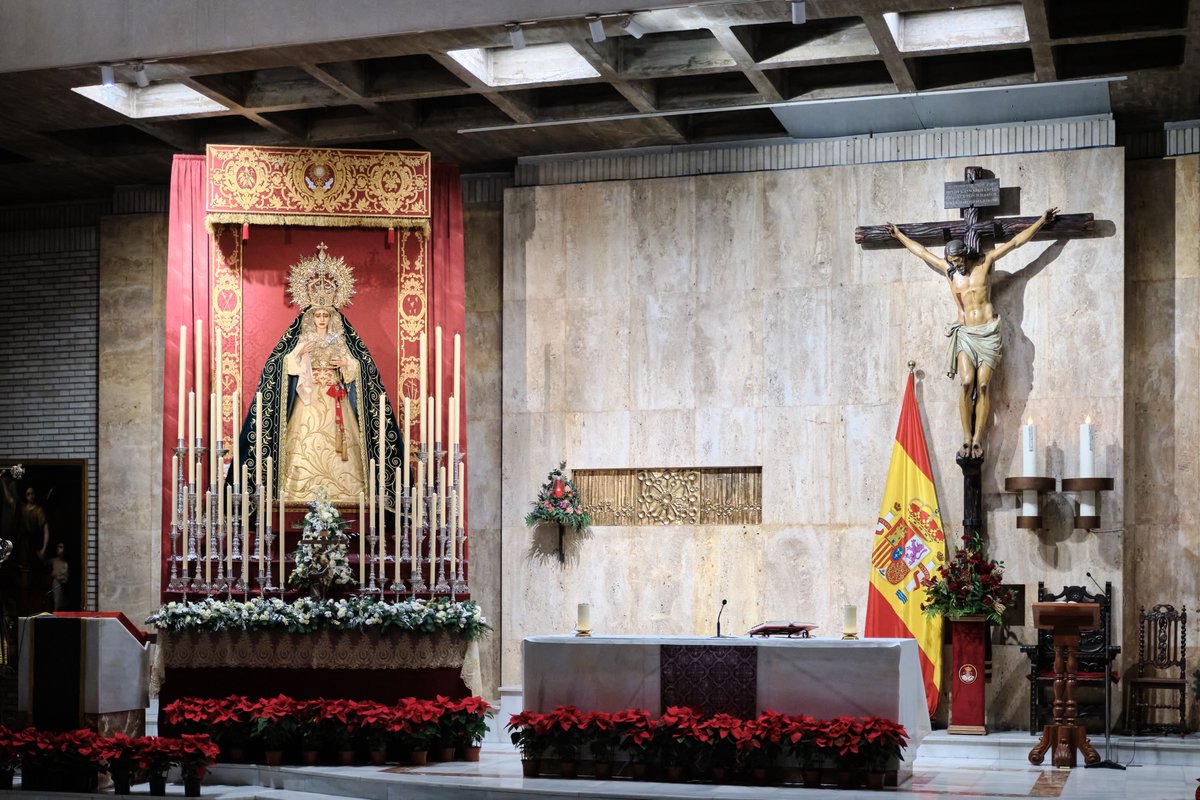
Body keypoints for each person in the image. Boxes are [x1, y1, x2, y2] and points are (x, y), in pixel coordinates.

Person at [888, 208, 1057, 459]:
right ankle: (966, 438)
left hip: (988, 333)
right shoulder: (949, 272)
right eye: (951, 263)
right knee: (967, 383)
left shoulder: (984, 263)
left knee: (984, 385)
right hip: (966, 334)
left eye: (957, 263)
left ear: (965, 256)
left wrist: (1042, 222)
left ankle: (978, 440)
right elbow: (921, 252)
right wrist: (900, 235)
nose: (955, 267)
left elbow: (1015, 243)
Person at [280, 305, 365, 501]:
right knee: (307, 437)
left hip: (334, 392)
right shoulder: (304, 339)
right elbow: (288, 363)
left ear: (331, 318)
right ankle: (300, 491)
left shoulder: (338, 339)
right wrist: (299, 352)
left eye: (325, 315)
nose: (321, 319)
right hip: (310, 394)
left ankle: (344, 492)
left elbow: (355, 364)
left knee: (340, 439)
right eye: (317, 315)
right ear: (312, 317)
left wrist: (345, 363)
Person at [48, 541, 69, 611]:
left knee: (58, 602)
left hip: (59, 586)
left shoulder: (65, 564)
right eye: (58, 547)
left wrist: (57, 577)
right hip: (50, 585)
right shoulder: (53, 560)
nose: (58, 549)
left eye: (61, 547)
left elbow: (65, 579)